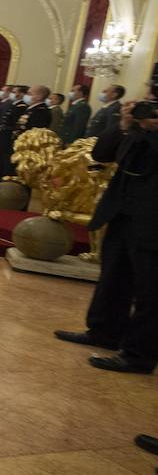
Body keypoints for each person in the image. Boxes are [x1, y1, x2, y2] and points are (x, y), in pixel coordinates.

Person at [54, 88, 158, 375]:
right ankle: (104, 331)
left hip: (153, 219)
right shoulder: (135, 124)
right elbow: (102, 153)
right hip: (123, 211)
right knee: (114, 275)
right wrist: (125, 125)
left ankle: (138, 355)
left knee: (150, 290)